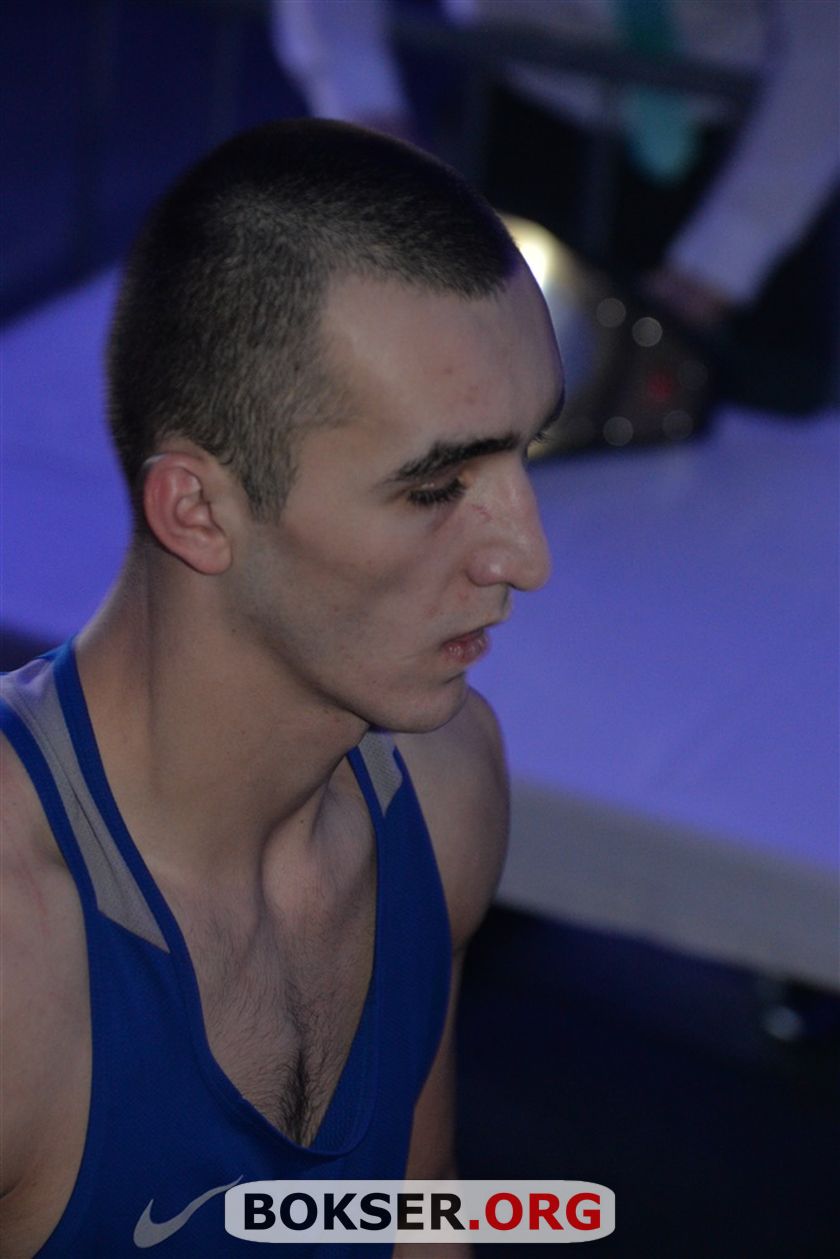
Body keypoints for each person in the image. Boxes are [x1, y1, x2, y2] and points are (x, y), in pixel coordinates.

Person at [0, 120, 563, 1256]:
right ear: (198, 511)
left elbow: (413, 1210)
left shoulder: (447, 786)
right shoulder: (19, 950)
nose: (527, 556)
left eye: (529, 452)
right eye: (436, 487)